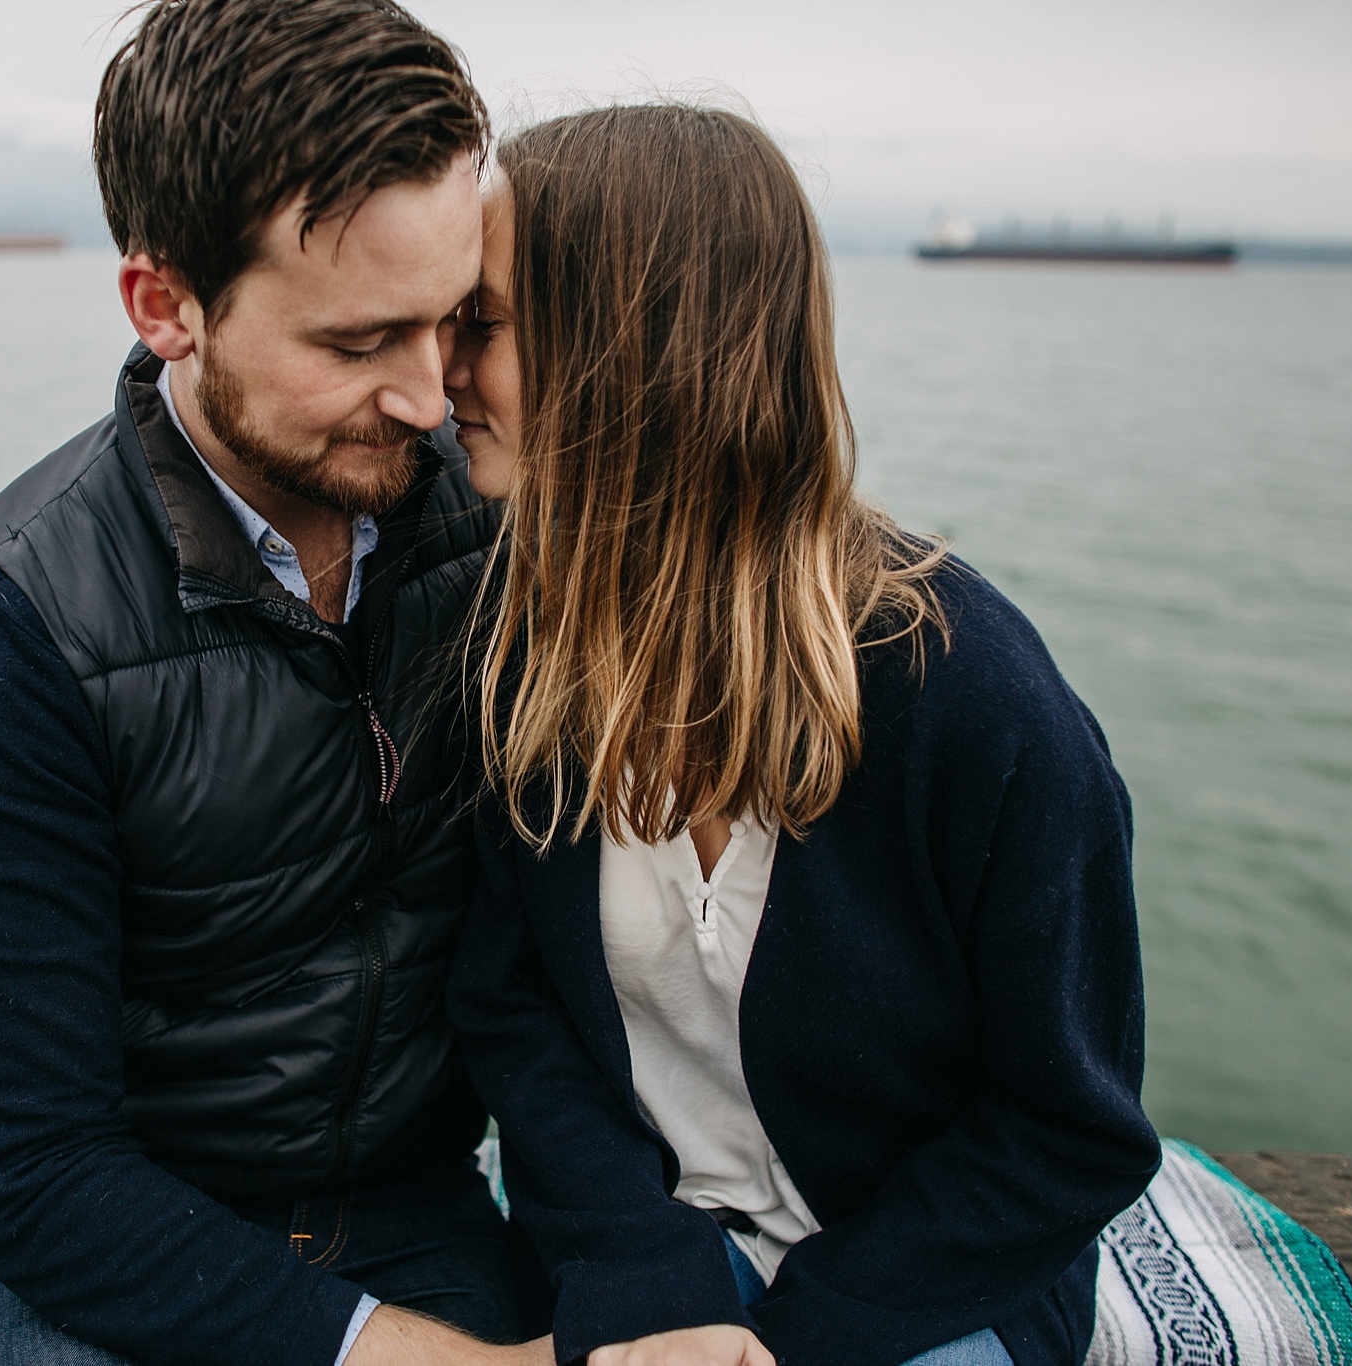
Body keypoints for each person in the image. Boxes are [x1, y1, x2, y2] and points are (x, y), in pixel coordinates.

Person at [444, 105, 1162, 1366]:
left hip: (923, 1291)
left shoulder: (973, 702)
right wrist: (645, 1279)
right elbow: (513, 1019)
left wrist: (798, 1341)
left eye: (483, 323)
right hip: (643, 1248)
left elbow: (1067, 1129)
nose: (440, 367)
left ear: (624, 343)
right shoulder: (509, 647)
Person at [0, 3, 550, 1362]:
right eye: (359, 341)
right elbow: (34, 1165)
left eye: (450, 322)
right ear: (166, 305)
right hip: (118, 1242)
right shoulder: (24, 618)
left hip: (423, 1204)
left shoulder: (490, 523)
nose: (432, 398)